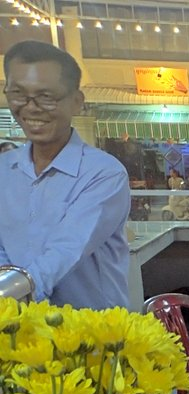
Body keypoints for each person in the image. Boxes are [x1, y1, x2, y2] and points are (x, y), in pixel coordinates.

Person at [0, 41, 130, 309]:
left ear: (76, 102)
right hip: (17, 332)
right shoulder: (4, 171)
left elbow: (66, 251)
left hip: (92, 337)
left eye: (47, 96)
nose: (31, 107)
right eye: (18, 94)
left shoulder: (104, 174)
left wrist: (9, 298)